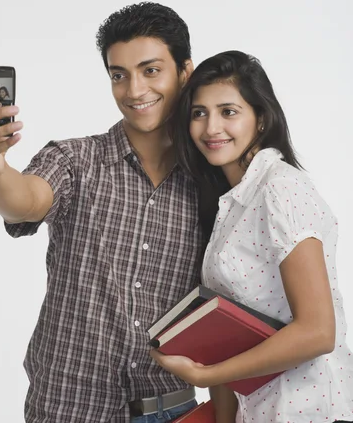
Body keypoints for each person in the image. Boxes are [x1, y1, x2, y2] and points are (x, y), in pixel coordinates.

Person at [0, 2, 209, 423]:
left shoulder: (212, 181)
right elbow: (25, 200)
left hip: (172, 409)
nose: (133, 90)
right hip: (70, 409)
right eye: (119, 75)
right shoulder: (77, 160)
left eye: (150, 70)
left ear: (185, 71)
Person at [151, 50, 353, 423]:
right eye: (199, 113)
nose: (211, 128)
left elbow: (318, 331)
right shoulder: (230, 204)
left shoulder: (280, 188)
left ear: (260, 120)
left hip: (305, 411)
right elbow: (229, 333)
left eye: (228, 111)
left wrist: (206, 374)